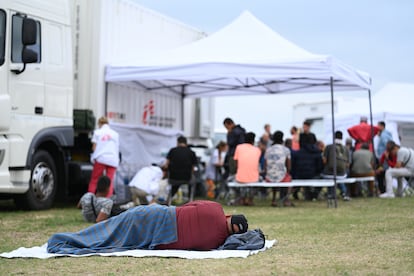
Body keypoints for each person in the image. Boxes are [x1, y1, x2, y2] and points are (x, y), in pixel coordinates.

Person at [48, 200, 248, 253]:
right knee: (112, 240)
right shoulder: (215, 243)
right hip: (160, 240)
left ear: (229, 216)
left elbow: (187, 206)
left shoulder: (215, 208)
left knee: (110, 227)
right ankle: (70, 241)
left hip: (158, 215)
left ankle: (67, 239)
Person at [88, 116, 120, 198]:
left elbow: (94, 147)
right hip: (113, 159)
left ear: (99, 123)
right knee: (110, 181)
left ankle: (90, 198)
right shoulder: (115, 134)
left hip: (101, 158)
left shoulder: (97, 132)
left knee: (95, 180)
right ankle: (108, 201)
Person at [164, 136, 198, 201]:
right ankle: (190, 199)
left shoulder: (172, 150)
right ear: (186, 143)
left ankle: (169, 200)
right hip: (186, 178)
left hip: (173, 178)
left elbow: (166, 165)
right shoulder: (191, 152)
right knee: (193, 180)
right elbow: (193, 169)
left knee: (176, 184)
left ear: (178, 142)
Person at [265, 131, 293, 207]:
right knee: (288, 177)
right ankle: (285, 199)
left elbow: (265, 165)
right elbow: (289, 166)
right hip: (281, 177)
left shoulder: (268, 150)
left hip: (269, 177)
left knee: (275, 175)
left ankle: (273, 199)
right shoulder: (286, 150)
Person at [291, 135, 323, 200]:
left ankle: (297, 192)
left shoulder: (297, 153)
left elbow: (293, 167)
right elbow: (319, 167)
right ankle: (314, 195)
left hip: (298, 176)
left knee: (299, 174)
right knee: (321, 177)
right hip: (312, 175)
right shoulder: (317, 153)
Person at [233, 132, 261, 205]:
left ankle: (242, 199)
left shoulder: (239, 147)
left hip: (240, 177)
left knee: (233, 181)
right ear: (253, 140)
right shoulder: (257, 150)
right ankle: (250, 199)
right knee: (258, 182)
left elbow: (236, 162)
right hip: (254, 178)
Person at [321, 131, 350, 200]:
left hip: (329, 173)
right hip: (342, 174)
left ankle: (331, 194)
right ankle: (344, 193)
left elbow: (324, 161)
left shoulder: (328, 147)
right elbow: (347, 164)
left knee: (329, 177)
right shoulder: (346, 149)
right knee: (340, 178)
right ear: (342, 138)